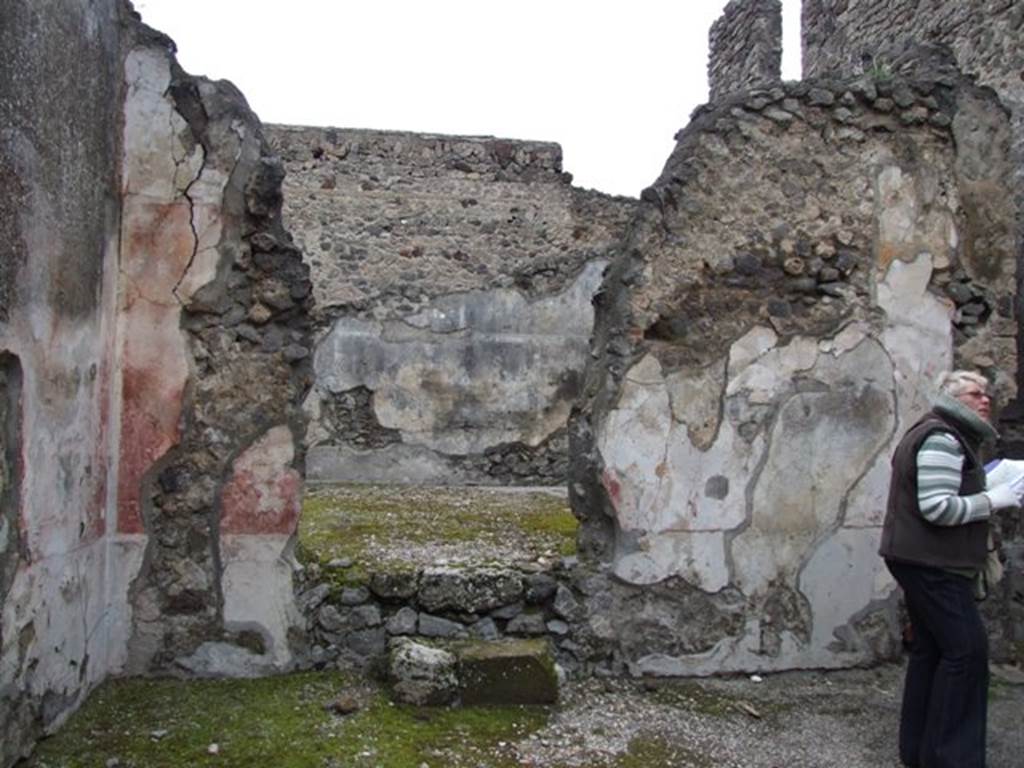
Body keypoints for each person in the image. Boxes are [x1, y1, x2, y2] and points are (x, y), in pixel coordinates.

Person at [879, 370, 1024, 768]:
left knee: (934, 650)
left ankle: (922, 752)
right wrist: (994, 499)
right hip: (932, 563)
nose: (986, 400)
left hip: (923, 559)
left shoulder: (945, 434)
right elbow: (937, 507)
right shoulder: (943, 437)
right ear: (954, 399)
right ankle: (950, 757)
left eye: (987, 394)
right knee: (966, 653)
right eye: (976, 394)